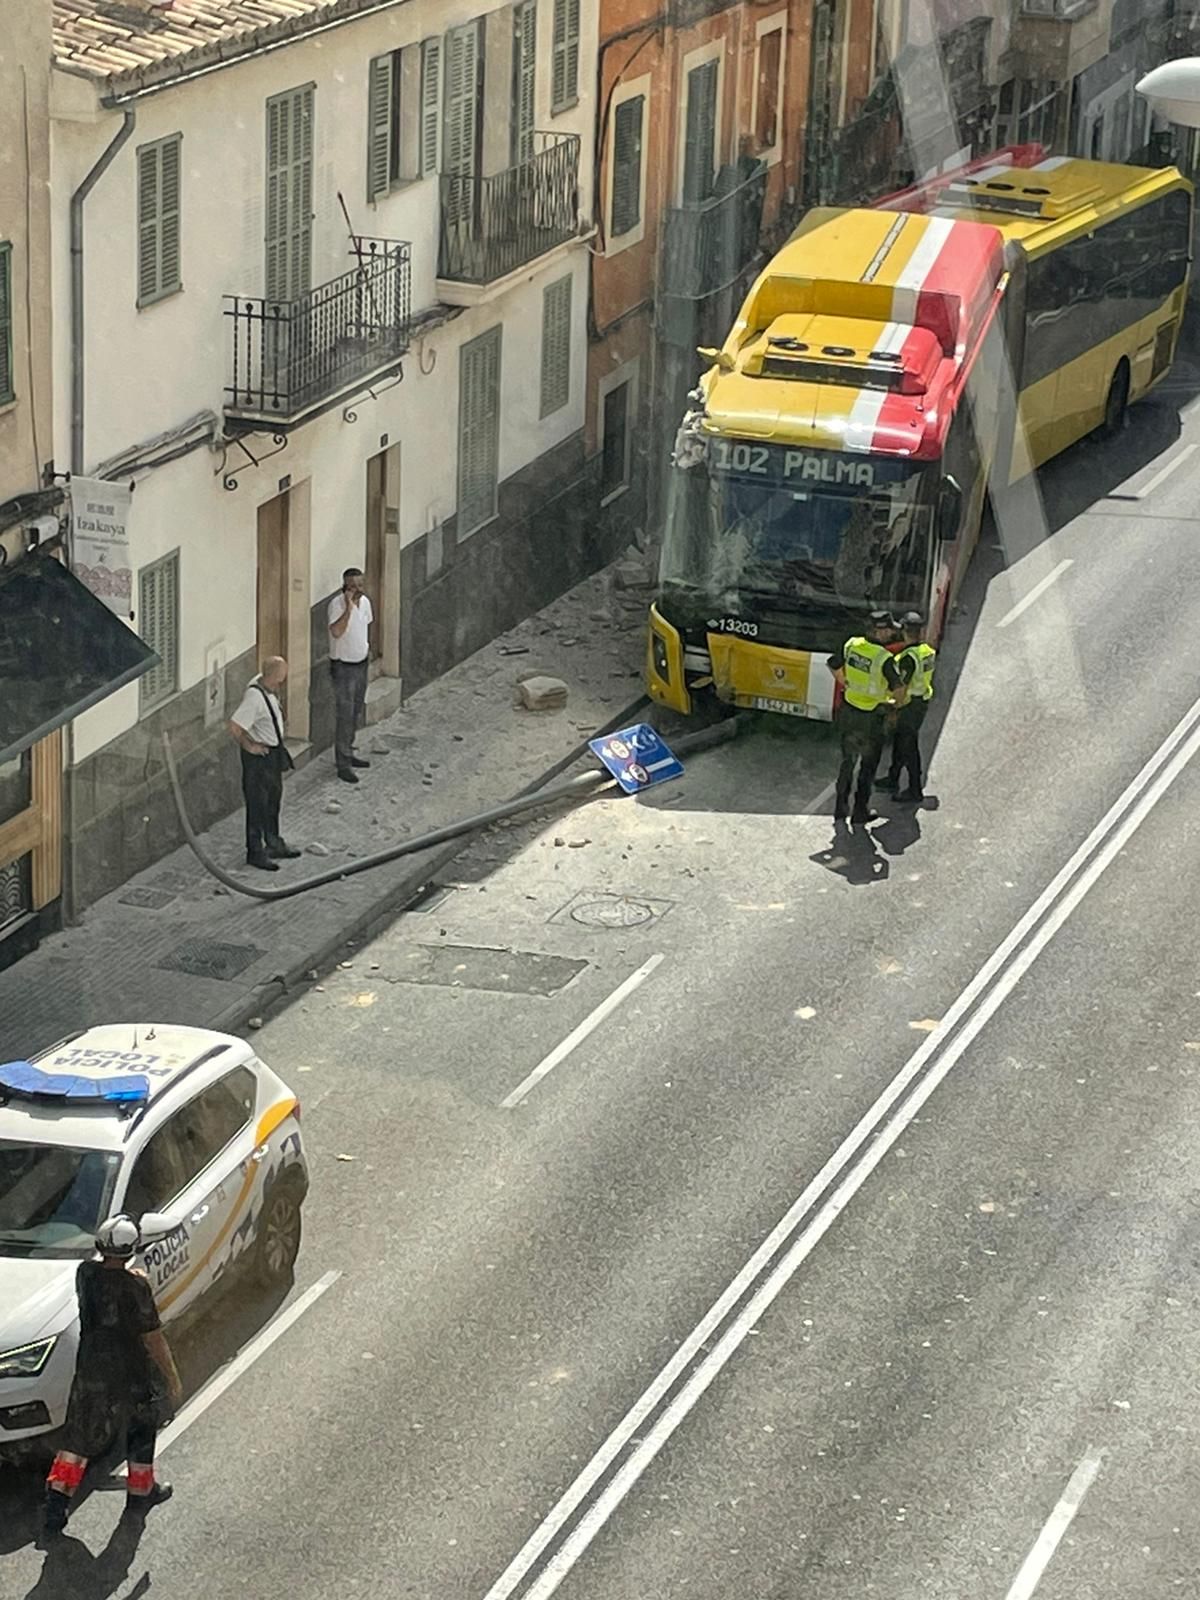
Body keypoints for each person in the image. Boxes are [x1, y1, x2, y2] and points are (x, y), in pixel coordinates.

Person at [43, 1215, 182, 1538]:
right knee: (140, 1432)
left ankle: (55, 1506)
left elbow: (103, 1276)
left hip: (91, 1372)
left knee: (77, 1440)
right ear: (132, 1249)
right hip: (131, 1374)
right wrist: (172, 1376)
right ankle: (140, 1494)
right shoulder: (137, 1287)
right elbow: (153, 1338)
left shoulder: (85, 1275)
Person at [827, 610, 905, 825]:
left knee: (847, 763)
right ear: (878, 631)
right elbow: (898, 690)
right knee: (868, 768)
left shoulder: (852, 644)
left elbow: (833, 664)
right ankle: (860, 813)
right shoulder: (884, 659)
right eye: (888, 629)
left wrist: (847, 683)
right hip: (872, 719)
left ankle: (840, 809)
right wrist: (894, 705)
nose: (891, 633)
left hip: (849, 713)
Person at [228, 655, 299, 872]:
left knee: (273, 801)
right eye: (279, 679)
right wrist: (249, 746)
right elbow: (235, 726)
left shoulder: (264, 685)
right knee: (257, 804)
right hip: (259, 759)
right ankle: (255, 851)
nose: (281, 683)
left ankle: (274, 841)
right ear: (270, 677)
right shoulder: (255, 698)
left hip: (273, 754)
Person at [878, 610, 936, 803]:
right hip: (920, 703)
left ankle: (914, 790)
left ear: (903, 631)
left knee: (909, 747)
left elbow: (901, 687)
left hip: (910, 706)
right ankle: (893, 778)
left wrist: (893, 707)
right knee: (901, 743)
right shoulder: (926, 651)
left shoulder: (908, 658)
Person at [328, 566, 374, 784]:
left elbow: (365, 626)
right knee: (344, 714)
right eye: (353, 586)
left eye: (360, 585)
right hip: (343, 667)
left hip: (361, 662)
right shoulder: (336, 605)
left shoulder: (365, 603)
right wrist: (347, 607)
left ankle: (349, 750)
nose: (357, 590)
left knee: (356, 709)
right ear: (345, 586)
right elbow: (337, 631)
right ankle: (342, 762)